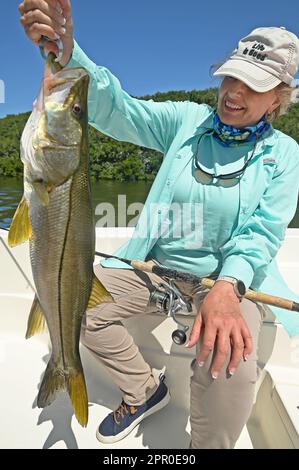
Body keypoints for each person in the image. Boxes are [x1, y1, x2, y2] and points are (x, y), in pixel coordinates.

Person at [18, 0, 299, 449]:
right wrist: (68, 53)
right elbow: (121, 111)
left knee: (231, 356)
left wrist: (228, 288)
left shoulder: (284, 153)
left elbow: (261, 233)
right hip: (155, 272)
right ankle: (146, 389)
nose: (234, 92)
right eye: (231, 76)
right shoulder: (188, 121)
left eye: (252, 84)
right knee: (78, 308)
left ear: (278, 97)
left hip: (226, 280)